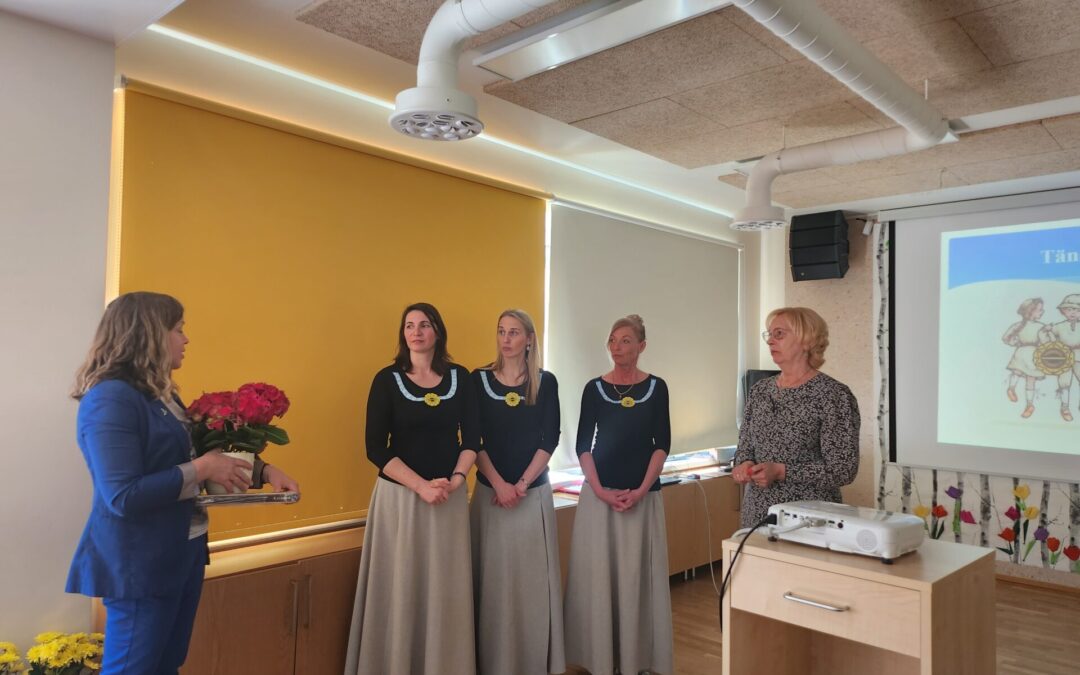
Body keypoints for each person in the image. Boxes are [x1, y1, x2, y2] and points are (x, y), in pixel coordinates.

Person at [67, 291, 299, 675]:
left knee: (167, 665)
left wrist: (262, 471)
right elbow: (122, 495)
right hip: (140, 564)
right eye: (178, 329)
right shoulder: (110, 399)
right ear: (149, 334)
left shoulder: (161, 396)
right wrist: (203, 469)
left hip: (182, 551)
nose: (186, 339)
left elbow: (194, 453)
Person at [345, 302, 478, 675]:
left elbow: (472, 439)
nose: (416, 332)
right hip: (400, 500)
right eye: (409, 326)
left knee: (444, 589)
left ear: (438, 331)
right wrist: (421, 487)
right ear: (403, 334)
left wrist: (456, 481)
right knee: (401, 587)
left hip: (447, 499)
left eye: (424, 325)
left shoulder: (461, 378)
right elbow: (375, 448)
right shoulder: (386, 380)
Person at [563, 314, 673, 675]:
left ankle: (636, 659)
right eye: (612, 340)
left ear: (642, 346)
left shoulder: (657, 388)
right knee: (599, 579)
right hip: (600, 499)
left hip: (642, 499)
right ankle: (600, 659)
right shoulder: (594, 389)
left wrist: (640, 490)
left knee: (635, 580)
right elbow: (583, 446)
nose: (617, 346)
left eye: (625, 340)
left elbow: (662, 444)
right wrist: (598, 491)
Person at [470, 309, 565, 675]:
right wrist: (499, 484)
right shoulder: (478, 380)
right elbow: (473, 439)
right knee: (491, 585)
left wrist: (521, 485)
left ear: (529, 339)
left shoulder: (545, 382)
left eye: (513, 332)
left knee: (530, 587)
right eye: (501, 331)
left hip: (531, 498)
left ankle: (531, 662)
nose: (506, 339)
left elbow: (549, 438)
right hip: (490, 497)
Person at [733, 307, 860, 529]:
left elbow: (843, 470)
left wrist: (781, 471)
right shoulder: (760, 390)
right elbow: (744, 448)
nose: (770, 341)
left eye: (779, 334)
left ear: (806, 340)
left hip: (810, 521)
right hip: (758, 517)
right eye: (769, 334)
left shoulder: (833, 395)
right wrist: (744, 464)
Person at [1039, 294, 1080, 422]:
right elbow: (1048, 342)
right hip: (1063, 358)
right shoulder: (1058, 326)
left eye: (1077, 310)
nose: (1073, 313)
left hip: (1079, 357)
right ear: (1063, 311)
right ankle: (1065, 407)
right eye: (1069, 309)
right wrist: (1045, 331)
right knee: (1064, 383)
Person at [1002, 297, 1045, 418]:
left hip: (1034, 355)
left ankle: (1029, 405)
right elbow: (1006, 337)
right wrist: (1014, 342)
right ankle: (1011, 389)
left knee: (1030, 379)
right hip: (1021, 352)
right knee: (1017, 372)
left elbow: (1046, 342)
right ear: (1030, 311)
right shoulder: (1019, 325)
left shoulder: (1041, 326)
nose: (1042, 312)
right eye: (1039, 310)